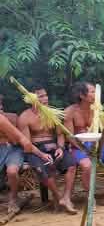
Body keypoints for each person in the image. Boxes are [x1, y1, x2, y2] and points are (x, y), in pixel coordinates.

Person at [17, 84, 77, 214]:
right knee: (42, 170)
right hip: (35, 149)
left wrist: (60, 148)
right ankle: (58, 197)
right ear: (31, 99)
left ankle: (66, 198)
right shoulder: (24, 117)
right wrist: (42, 155)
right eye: (41, 96)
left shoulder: (53, 113)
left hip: (54, 146)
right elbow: (27, 144)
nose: (45, 98)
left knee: (71, 165)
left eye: (46, 95)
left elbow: (61, 134)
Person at [64, 82, 104, 205]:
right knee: (87, 166)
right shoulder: (70, 112)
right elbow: (69, 136)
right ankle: (90, 197)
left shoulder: (97, 109)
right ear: (82, 95)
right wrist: (84, 149)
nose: (95, 94)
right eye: (92, 92)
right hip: (78, 146)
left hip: (97, 144)